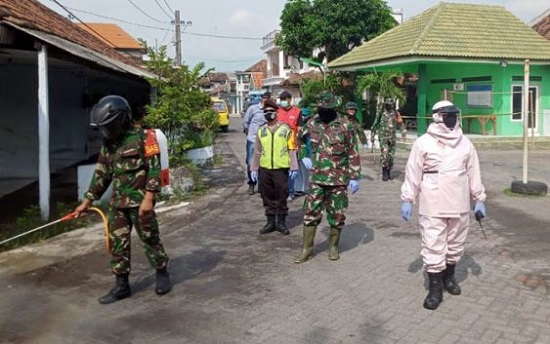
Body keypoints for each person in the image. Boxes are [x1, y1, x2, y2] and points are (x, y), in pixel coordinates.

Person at [73, 95, 171, 304]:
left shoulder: (145, 138)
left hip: (140, 202)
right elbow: (102, 175)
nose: (106, 131)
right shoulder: (108, 145)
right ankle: (121, 285)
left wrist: (149, 198)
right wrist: (87, 201)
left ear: (121, 120)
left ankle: (162, 272)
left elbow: (154, 170)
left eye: (108, 126)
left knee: (150, 238)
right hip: (118, 203)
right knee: (118, 243)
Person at [400, 100, 487, 310]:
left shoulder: (465, 143)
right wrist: (407, 198)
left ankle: (449, 277)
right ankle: (435, 288)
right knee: (433, 243)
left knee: (456, 242)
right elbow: (413, 171)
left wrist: (479, 198)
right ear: (437, 116)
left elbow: (473, 171)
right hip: (433, 200)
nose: (451, 119)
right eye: (446, 115)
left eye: (454, 115)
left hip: (459, 200)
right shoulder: (423, 142)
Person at [294, 91, 362, 263]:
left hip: (338, 179)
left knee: (337, 214)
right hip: (316, 178)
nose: (324, 111)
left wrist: (354, 176)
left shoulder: (345, 125)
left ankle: (333, 247)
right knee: (310, 213)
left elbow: (353, 150)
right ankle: (306, 249)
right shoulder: (311, 123)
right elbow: (299, 140)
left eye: (327, 108)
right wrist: (304, 155)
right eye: (322, 108)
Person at [250, 99, 299, 235]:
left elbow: (291, 148)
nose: (268, 114)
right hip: (265, 169)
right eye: (265, 112)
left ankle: (281, 223)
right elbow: (257, 151)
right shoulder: (261, 131)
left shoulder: (285, 129)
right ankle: (270, 222)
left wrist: (294, 167)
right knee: (267, 196)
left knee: (281, 195)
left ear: (276, 113)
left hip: (280, 168)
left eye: (271, 111)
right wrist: (254, 168)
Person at [276, 90, 303, 200]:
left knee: (292, 171)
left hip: (292, 145)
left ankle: (290, 191)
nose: (283, 102)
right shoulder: (277, 111)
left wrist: (299, 144)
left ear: (290, 100)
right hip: (278, 145)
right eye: (281, 100)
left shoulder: (297, 112)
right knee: (280, 170)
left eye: (285, 100)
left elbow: (300, 129)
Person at [243, 91, 270, 195]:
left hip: (265, 141)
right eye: (264, 98)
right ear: (261, 98)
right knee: (251, 163)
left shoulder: (270, 110)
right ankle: (251, 184)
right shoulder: (253, 109)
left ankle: (261, 185)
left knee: (263, 163)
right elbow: (246, 122)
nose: (265, 100)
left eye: (267, 98)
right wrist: (248, 131)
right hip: (253, 139)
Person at [372, 98, 398, 181]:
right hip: (383, 137)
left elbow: (400, 123)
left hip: (392, 138)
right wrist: (373, 135)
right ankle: (384, 172)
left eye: (390, 104)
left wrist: (403, 132)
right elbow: (375, 124)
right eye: (387, 104)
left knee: (391, 156)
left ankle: (389, 171)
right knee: (385, 154)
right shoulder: (381, 113)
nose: (389, 105)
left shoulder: (395, 113)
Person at [294, 106, 313, 196]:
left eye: (304, 115)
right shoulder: (300, 126)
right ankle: (300, 188)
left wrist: (308, 154)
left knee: (306, 171)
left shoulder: (310, 126)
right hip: (301, 150)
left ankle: (305, 188)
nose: (302, 117)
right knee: (299, 171)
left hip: (309, 151)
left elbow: (309, 142)